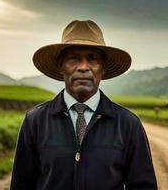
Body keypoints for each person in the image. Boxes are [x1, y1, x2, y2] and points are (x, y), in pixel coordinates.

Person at [10, 20, 157, 190]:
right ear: (61, 66)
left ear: (103, 68)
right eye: (73, 59)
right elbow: (22, 184)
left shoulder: (128, 124)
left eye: (92, 59)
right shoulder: (35, 121)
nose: (83, 67)